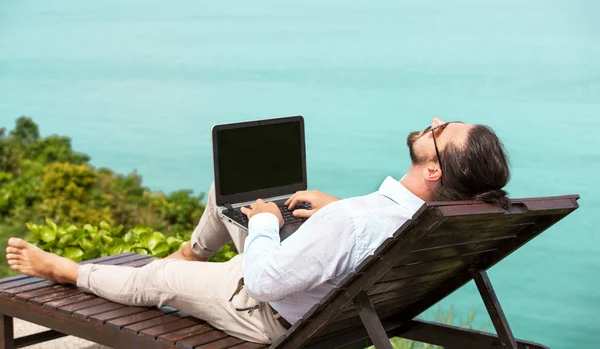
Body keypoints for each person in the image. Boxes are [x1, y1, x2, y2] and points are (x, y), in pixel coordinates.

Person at [5, 118, 510, 344]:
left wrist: (268, 222)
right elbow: (371, 232)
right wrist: (331, 210)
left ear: (435, 171)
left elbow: (266, 281)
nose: (435, 121)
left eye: (442, 132)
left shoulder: (355, 221)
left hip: (268, 308)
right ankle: (193, 253)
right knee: (226, 192)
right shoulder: (435, 217)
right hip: (332, 296)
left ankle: (69, 270)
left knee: (154, 278)